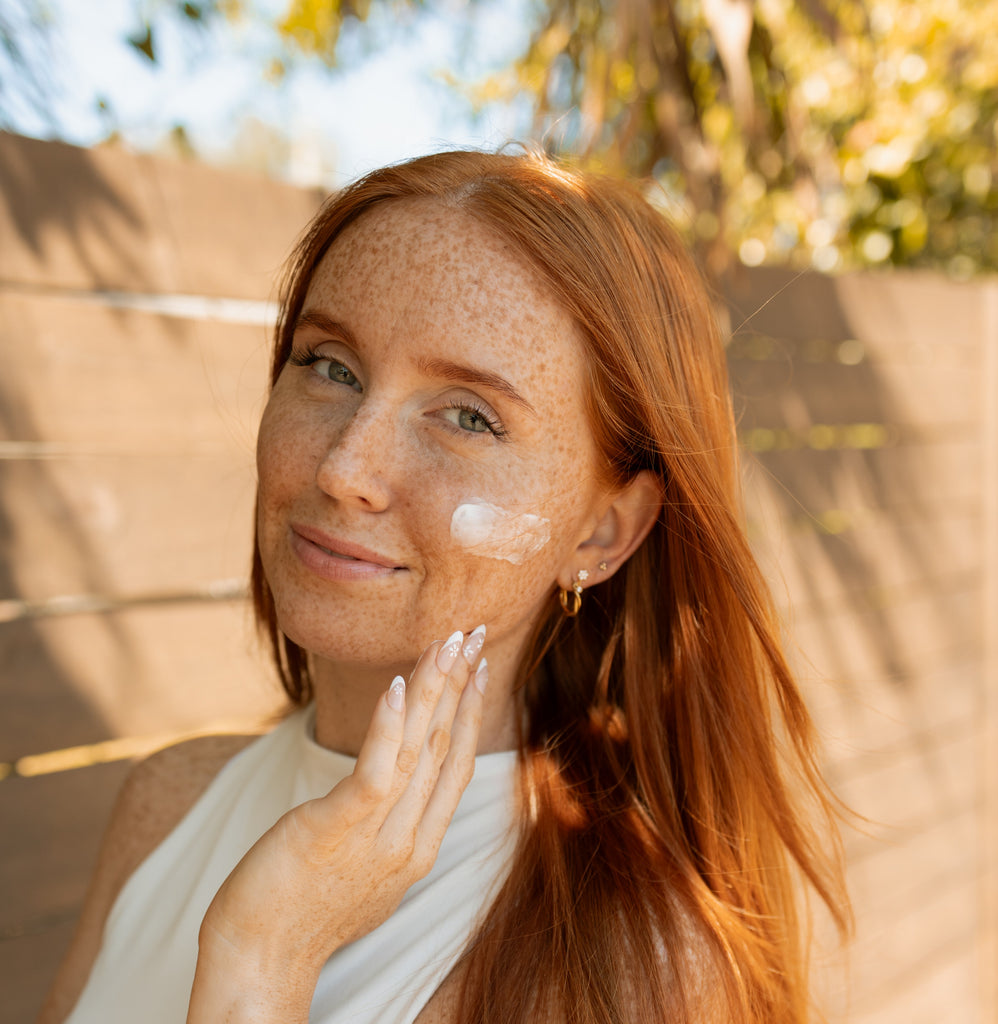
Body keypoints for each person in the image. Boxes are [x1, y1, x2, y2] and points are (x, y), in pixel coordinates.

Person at [38, 149, 849, 1024]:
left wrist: (266, 953)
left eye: (469, 415)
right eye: (330, 366)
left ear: (602, 531)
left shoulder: (633, 964)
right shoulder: (168, 804)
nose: (348, 466)